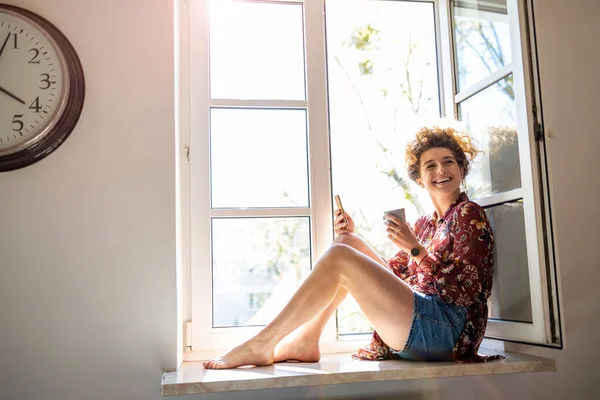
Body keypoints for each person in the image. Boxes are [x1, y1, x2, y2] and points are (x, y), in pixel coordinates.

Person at [203, 126, 502, 369]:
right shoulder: (426, 224)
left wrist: (416, 250)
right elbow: (392, 273)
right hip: (422, 321)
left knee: (344, 255)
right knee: (346, 244)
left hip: (445, 333)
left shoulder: (469, 213)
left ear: (461, 168)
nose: (441, 170)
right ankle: (307, 338)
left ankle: (262, 343)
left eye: (449, 162)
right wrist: (357, 238)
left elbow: (463, 291)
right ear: (420, 179)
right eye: (430, 165)